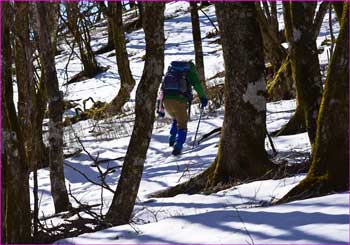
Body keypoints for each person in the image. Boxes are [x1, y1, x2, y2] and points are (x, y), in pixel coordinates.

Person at [157, 60, 208, 155]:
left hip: (166, 100)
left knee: (176, 119)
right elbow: (197, 85)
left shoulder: (171, 71)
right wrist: (203, 97)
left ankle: (172, 139)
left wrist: (160, 106)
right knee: (182, 123)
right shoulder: (189, 72)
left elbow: (162, 89)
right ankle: (178, 146)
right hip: (179, 100)